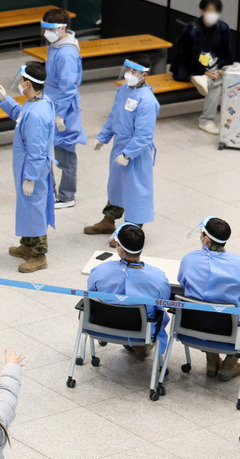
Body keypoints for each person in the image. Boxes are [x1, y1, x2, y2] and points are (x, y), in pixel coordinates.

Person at [85, 54, 159, 237]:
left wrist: (128, 154)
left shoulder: (147, 100)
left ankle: (130, 232)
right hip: (119, 145)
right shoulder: (124, 90)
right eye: (127, 70)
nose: (129, 74)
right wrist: (103, 137)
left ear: (144, 75)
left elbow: (144, 135)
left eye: (133, 71)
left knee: (135, 190)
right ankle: (108, 221)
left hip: (136, 152)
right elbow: (114, 116)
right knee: (116, 185)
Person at [0, 62, 56, 273]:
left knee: (35, 209)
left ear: (28, 83)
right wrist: (6, 101)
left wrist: (30, 177)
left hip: (34, 169)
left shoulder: (38, 114)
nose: (19, 83)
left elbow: (37, 151)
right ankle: (27, 245)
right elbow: (21, 115)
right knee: (27, 207)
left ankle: (39, 255)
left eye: (21, 80)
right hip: (28, 167)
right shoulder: (38, 101)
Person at [87, 223, 171, 356]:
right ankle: (140, 345)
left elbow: (91, 294)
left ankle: (133, 344)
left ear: (120, 249)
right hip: (142, 330)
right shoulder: (158, 278)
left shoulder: (98, 271)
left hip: (103, 325)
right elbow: (164, 300)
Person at [178, 216, 240, 380]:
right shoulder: (238, 264)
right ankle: (229, 365)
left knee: (204, 310)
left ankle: (211, 361)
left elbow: (182, 282)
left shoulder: (189, 260)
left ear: (205, 239)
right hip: (229, 329)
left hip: (193, 325)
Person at [41, 8, 87, 209]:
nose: (46, 33)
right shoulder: (56, 44)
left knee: (65, 153)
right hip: (50, 102)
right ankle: (48, 191)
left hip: (63, 108)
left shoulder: (67, 53)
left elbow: (68, 87)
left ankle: (67, 196)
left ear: (61, 28)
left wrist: (60, 114)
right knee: (45, 150)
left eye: (49, 29)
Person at [170, 0, 234, 135]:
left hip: (214, 66)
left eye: (216, 11)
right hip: (191, 68)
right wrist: (204, 71)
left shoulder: (223, 28)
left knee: (235, 71)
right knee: (216, 82)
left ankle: (207, 80)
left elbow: (226, 52)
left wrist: (222, 66)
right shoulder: (191, 29)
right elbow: (186, 56)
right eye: (210, 11)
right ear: (202, 11)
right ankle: (206, 121)